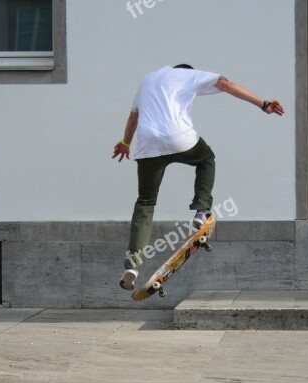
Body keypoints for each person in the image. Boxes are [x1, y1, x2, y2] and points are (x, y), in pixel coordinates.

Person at [113, 64, 285, 290]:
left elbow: (134, 117)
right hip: (179, 138)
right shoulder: (189, 75)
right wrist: (262, 104)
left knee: (145, 202)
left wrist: (125, 143)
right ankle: (201, 210)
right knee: (206, 159)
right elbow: (226, 84)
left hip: (148, 145)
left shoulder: (148, 80)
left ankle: (132, 266)